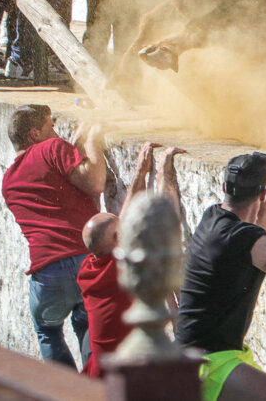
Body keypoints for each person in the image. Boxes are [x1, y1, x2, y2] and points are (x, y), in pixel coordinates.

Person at [176, 152, 266, 400]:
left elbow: (254, 242)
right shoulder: (239, 238)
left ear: (224, 188)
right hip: (207, 362)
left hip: (197, 355)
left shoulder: (212, 216)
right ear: (261, 193)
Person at [2, 104, 108, 367]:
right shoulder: (51, 148)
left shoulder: (9, 180)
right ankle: (92, 388)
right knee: (86, 326)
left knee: (47, 331)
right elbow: (94, 182)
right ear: (35, 133)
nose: (56, 132)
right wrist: (94, 139)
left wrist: (73, 143)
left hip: (47, 275)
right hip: (85, 262)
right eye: (51, 126)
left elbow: (51, 177)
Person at [78, 141, 185, 378]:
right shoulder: (122, 265)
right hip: (118, 374)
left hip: (99, 364)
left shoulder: (89, 267)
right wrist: (164, 173)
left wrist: (140, 172)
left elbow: (120, 222)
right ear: (118, 239)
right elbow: (164, 217)